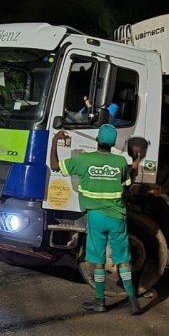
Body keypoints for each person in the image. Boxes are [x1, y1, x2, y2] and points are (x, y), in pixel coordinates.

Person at [49, 124, 142, 315]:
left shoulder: (83, 160)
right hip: (117, 217)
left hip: (96, 217)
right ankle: (133, 301)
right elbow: (127, 185)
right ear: (112, 142)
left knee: (98, 260)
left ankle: (100, 302)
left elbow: (55, 166)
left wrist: (54, 142)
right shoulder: (119, 162)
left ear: (97, 140)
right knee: (123, 259)